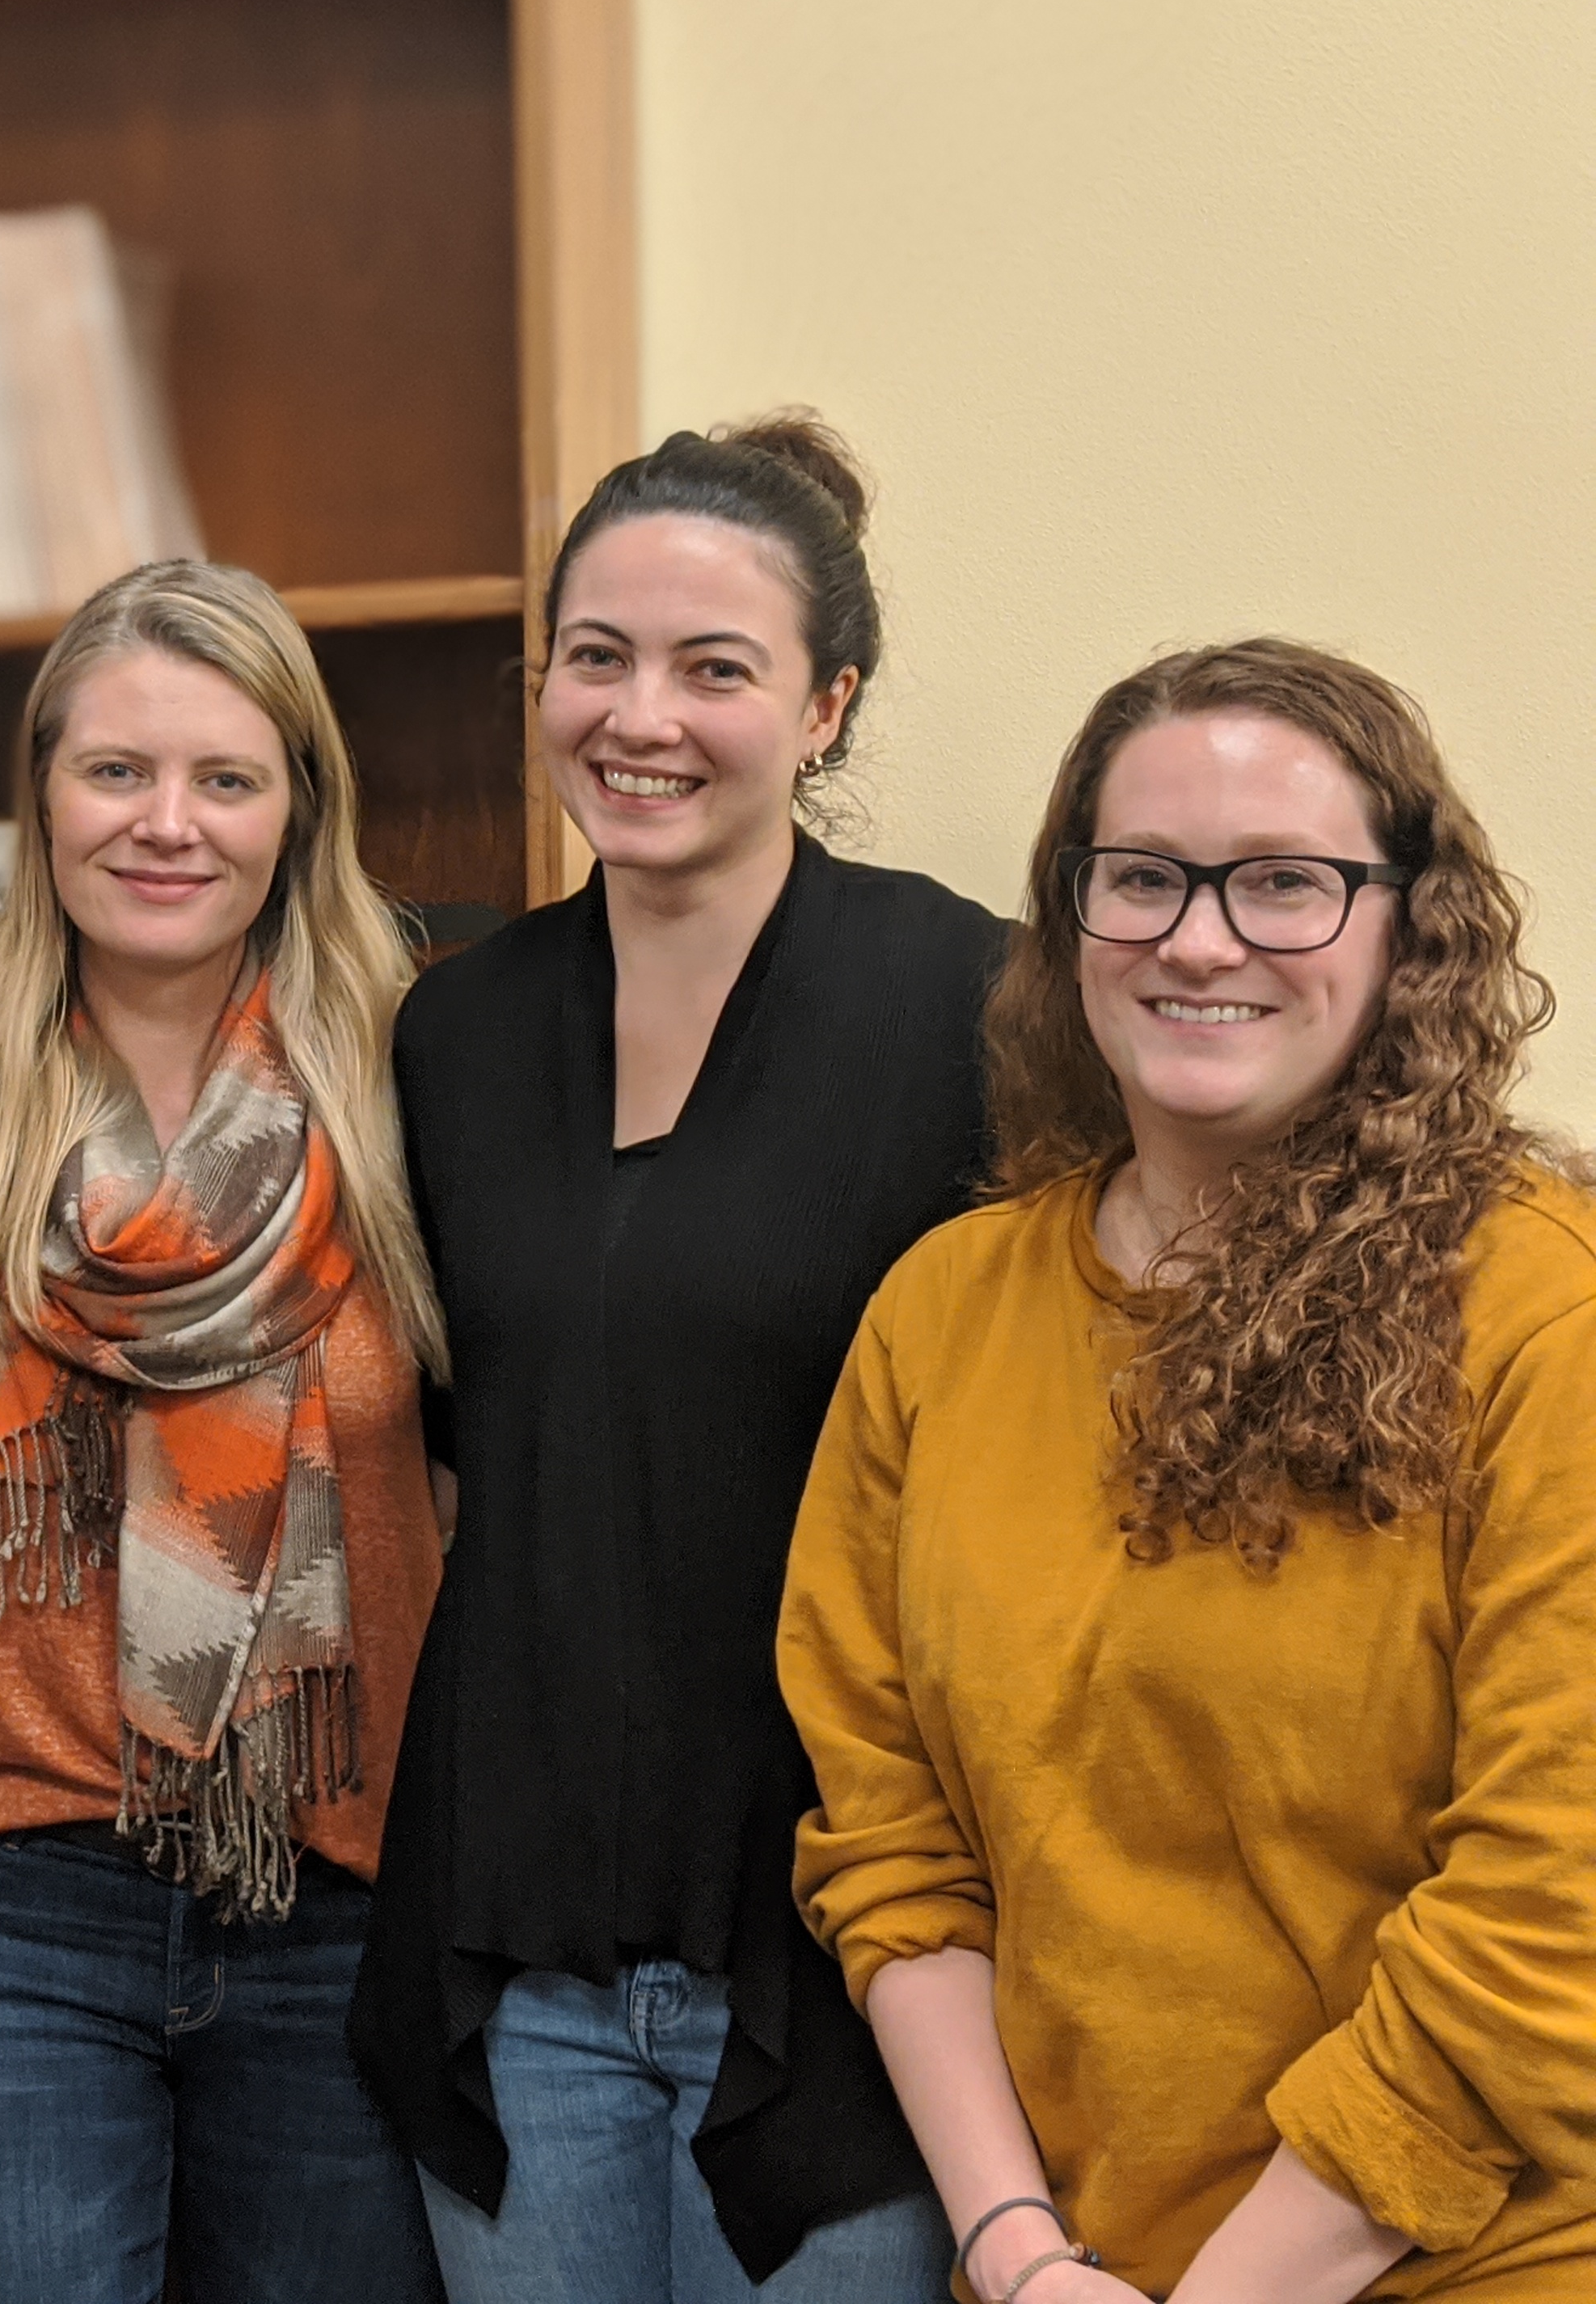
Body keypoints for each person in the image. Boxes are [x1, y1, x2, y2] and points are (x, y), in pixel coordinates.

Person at [781, 639, 1596, 2303]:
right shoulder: (943, 1311)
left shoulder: (1545, 1311)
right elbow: (890, 1840)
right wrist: (1017, 2252)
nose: (1199, 938)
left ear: (1405, 925)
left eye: (1285, 884)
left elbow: (1555, 1916)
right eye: (1141, 878)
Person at [352, 419, 1000, 2301]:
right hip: (508, 1965)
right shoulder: (452, 1030)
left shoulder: (982, 1007)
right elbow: (472, 1452)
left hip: (845, 1967)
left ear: (827, 706)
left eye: (717, 668)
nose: (642, 714)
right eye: (597, 655)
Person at [0, 559, 449, 2304]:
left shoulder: (424, 1076)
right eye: (116, 771)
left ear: (298, 807)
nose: (166, 825)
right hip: (8, 1906)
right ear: (40, 793)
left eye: (226, 777)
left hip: (338, 1890)